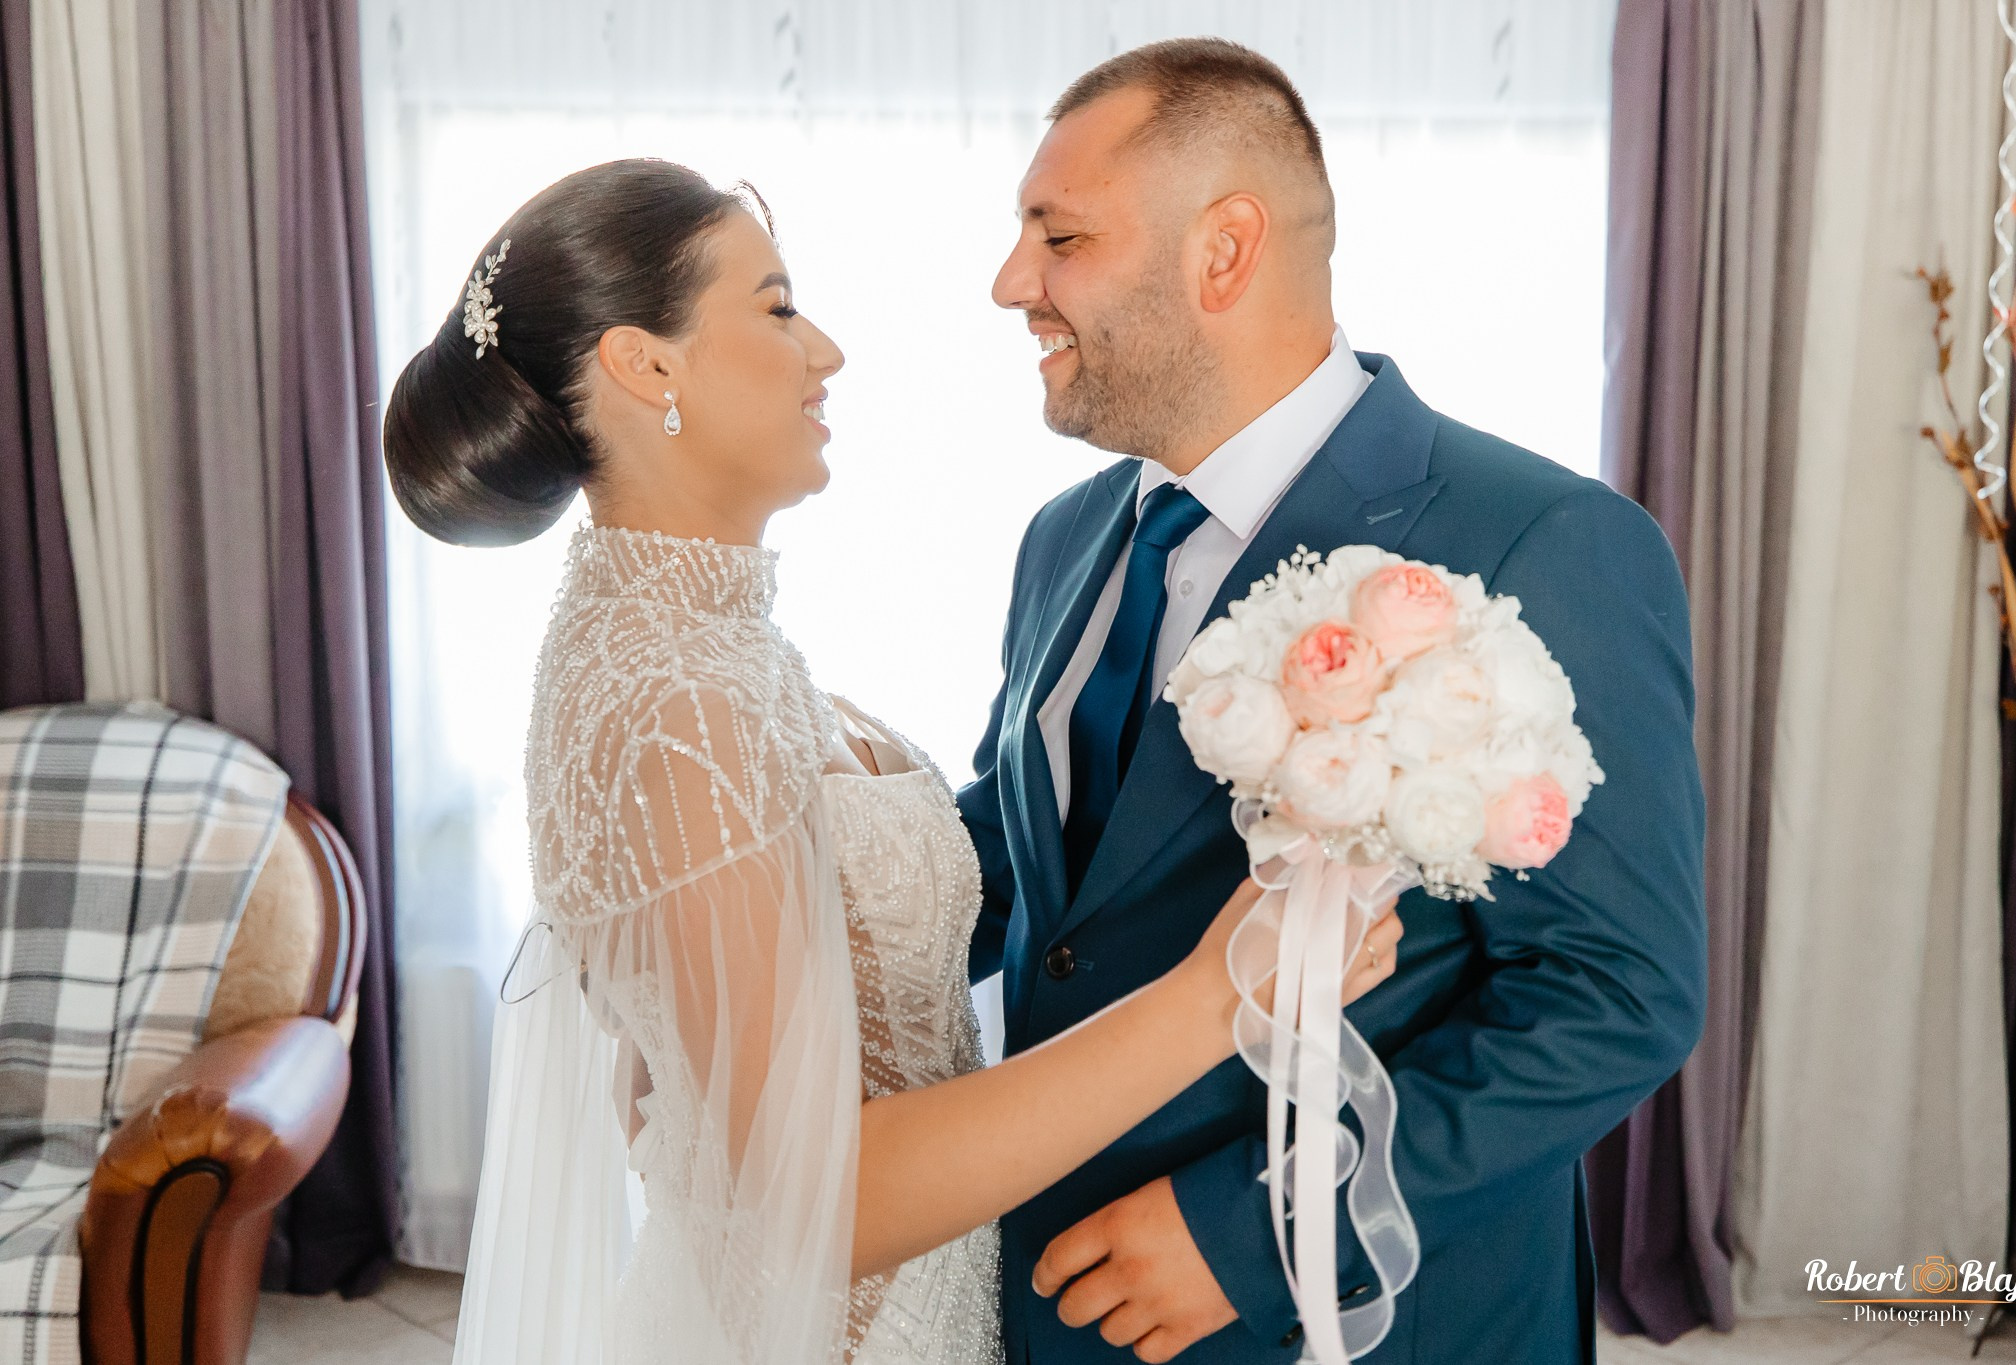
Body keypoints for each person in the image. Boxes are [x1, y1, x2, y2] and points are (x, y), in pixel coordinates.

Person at [377, 157, 1405, 1365]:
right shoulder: (669, 698)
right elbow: (825, 1204)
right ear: (644, 364)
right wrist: (1220, 992)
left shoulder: (697, 650)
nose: (823, 351)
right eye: (772, 306)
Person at [961, 38, 1708, 1365]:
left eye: (1058, 236)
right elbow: (1044, 880)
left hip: (1356, 1311)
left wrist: (1256, 1228)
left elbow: (1615, 990)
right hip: (1048, 1281)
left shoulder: (1542, 541)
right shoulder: (1060, 538)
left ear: (1224, 250)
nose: (1012, 282)